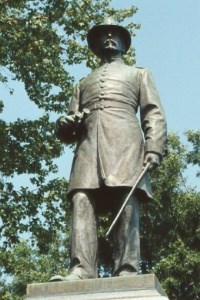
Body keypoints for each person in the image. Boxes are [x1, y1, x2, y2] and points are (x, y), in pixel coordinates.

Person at [52, 17, 167, 281]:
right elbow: (70, 129)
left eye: (115, 34)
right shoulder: (82, 83)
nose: (110, 37)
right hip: (88, 148)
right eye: (104, 34)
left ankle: (127, 268)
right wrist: (65, 123)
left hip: (126, 144)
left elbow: (154, 113)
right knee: (81, 199)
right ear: (95, 43)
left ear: (124, 43)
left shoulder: (139, 74)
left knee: (126, 201)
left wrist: (154, 148)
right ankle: (80, 269)